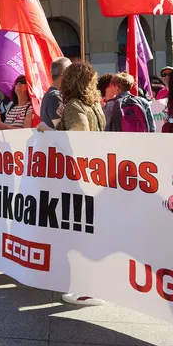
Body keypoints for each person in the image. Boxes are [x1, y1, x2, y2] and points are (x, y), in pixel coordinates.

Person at [36, 62, 105, 306]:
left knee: (77, 234)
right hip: (92, 176)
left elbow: (78, 140)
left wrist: (47, 130)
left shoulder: (75, 105)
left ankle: (85, 289)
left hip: (77, 178)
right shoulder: (94, 105)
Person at [40, 57, 71, 129]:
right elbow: (60, 130)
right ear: (64, 74)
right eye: (71, 71)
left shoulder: (51, 94)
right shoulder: (54, 96)